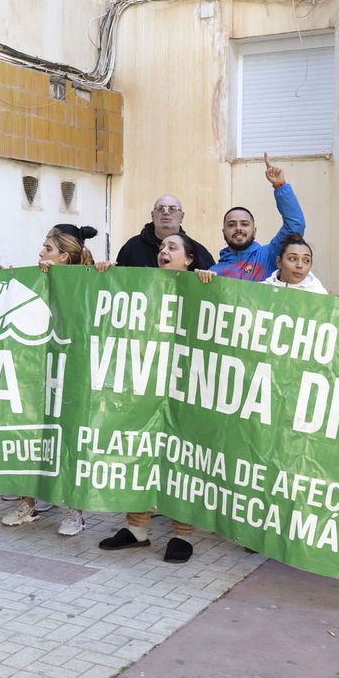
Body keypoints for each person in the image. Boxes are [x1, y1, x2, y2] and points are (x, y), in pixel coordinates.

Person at [99, 233, 211, 563]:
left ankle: (182, 535)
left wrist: (212, 286)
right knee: (141, 452)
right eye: (162, 248)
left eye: (172, 248)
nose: (164, 251)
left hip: (187, 389)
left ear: (190, 260)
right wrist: (105, 275)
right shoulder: (141, 284)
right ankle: (136, 530)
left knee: (182, 459)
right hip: (147, 385)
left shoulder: (205, 288)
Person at [1, 225, 100, 535]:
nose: (41, 253)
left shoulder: (88, 280)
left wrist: (104, 271)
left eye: (47, 248)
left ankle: (74, 511)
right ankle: (27, 504)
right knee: (33, 435)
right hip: (41, 369)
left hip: (74, 372)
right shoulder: (38, 279)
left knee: (70, 440)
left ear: (64, 257)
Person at [211, 154, 305, 281]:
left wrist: (280, 186)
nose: (238, 228)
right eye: (231, 224)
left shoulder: (269, 255)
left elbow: (295, 225)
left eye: (244, 224)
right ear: (223, 232)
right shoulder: (213, 272)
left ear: (254, 231)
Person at [117, 195, 214, 269]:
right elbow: (117, 282)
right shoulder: (132, 247)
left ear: (182, 216)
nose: (166, 212)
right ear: (152, 215)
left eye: (172, 209)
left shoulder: (198, 252)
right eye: (160, 208)